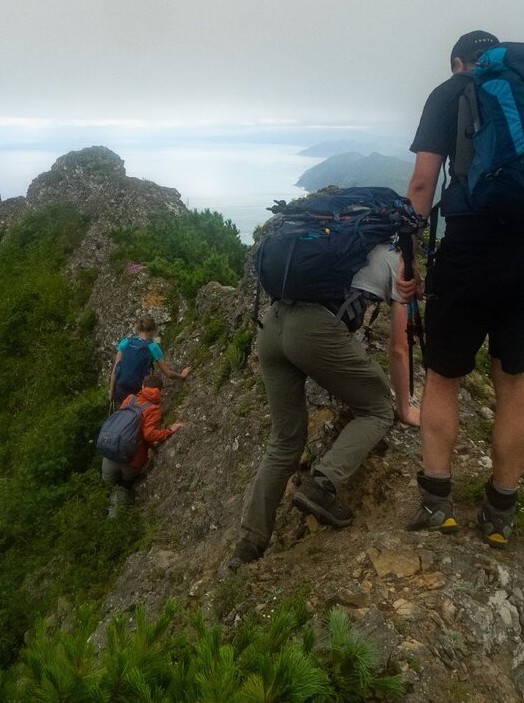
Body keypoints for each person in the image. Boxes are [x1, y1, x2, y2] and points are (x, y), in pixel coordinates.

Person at [399, 30, 524, 547]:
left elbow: (421, 185)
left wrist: (408, 259)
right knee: (515, 382)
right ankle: (500, 515)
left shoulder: (452, 92)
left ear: (460, 61)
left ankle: (437, 503)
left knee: (443, 379)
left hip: (471, 254)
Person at [228, 244, 401, 570]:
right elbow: (401, 346)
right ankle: (321, 485)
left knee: (284, 441)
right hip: (314, 331)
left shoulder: (332, 241)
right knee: (378, 409)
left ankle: (248, 546)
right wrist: (403, 402)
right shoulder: (394, 257)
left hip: (273, 324)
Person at [351, 243, 420, 427]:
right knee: (380, 409)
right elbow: (399, 349)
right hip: (324, 339)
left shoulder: (341, 240)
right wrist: (404, 410)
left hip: (280, 327)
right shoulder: (397, 260)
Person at [102, 375, 183, 517]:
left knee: (106, 488)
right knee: (123, 488)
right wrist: (169, 430)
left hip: (110, 452)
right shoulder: (153, 409)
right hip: (132, 460)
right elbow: (149, 435)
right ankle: (114, 521)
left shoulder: (129, 399)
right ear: (159, 391)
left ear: (143, 387)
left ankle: (98, 515)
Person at [108, 314, 191, 403]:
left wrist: (111, 392)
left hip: (120, 389)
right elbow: (168, 373)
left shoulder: (125, 342)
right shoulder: (152, 347)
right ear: (153, 330)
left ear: (139, 328)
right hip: (137, 392)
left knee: (122, 416)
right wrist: (182, 376)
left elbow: (116, 369)